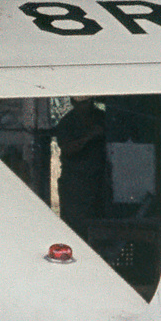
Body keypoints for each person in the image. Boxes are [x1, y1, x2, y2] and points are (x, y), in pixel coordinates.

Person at [54, 96, 108, 237]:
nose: (85, 107)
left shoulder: (102, 118)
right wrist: (89, 137)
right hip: (75, 186)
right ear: (73, 102)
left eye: (87, 102)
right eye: (81, 103)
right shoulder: (67, 122)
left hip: (101, 182)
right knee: (75, 230)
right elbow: (67, 149)